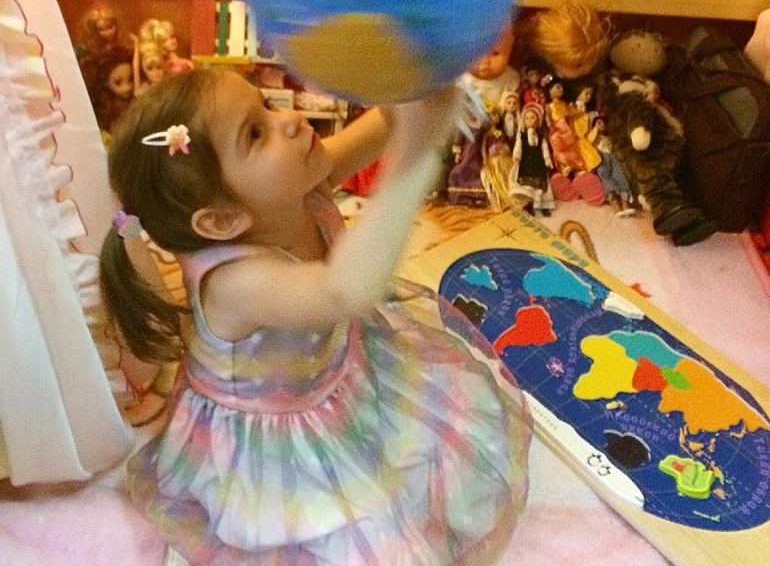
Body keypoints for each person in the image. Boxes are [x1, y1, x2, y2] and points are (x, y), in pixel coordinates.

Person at [100, 67, 531, 566]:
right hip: (278, 436)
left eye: (266, 105)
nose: (287, 120)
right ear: (222, 220)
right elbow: (346, 291)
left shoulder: (302, 178)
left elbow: (386, 122)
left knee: (444, 445)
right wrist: (415, 161)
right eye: (255, 134)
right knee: (368, 543)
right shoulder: (234, 283)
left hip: (344, 368)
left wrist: (424, 83)